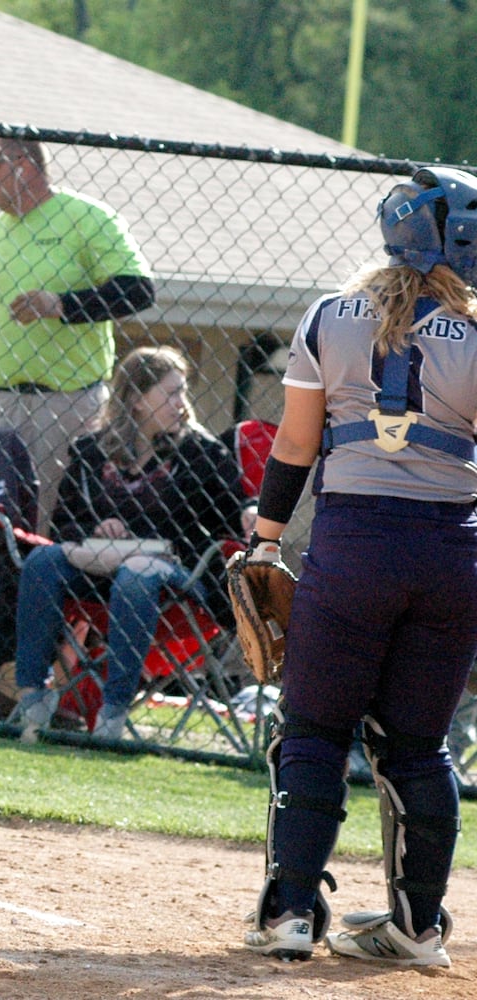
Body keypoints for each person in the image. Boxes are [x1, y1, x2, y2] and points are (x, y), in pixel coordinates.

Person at [242, 167, 477, 968]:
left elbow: (297, 446)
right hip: (452, 553)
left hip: (352, 549)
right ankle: (416, 929)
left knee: (313, 730)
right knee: (418, 746)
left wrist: (266, 540)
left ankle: (291, 914)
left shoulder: (331, 315)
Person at [12, 346, 248, 739]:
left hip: (173, 575)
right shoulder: (91, 452)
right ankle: (31, 695)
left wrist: (250, 508)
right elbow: (65, 523)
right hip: (101, 566)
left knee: (137, 574)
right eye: (170, 393)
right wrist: (97, 524)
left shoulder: (201, 452)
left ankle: (113, 711)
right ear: (136, 400)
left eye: (182, 392)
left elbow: (227, 518)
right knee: (42, 560)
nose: (182, 404)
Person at [0, 137, 155, 532]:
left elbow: (139, 290)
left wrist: (61, 305)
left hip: (68, 404)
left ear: (23, 165)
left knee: (52, 525)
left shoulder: (88, 218)